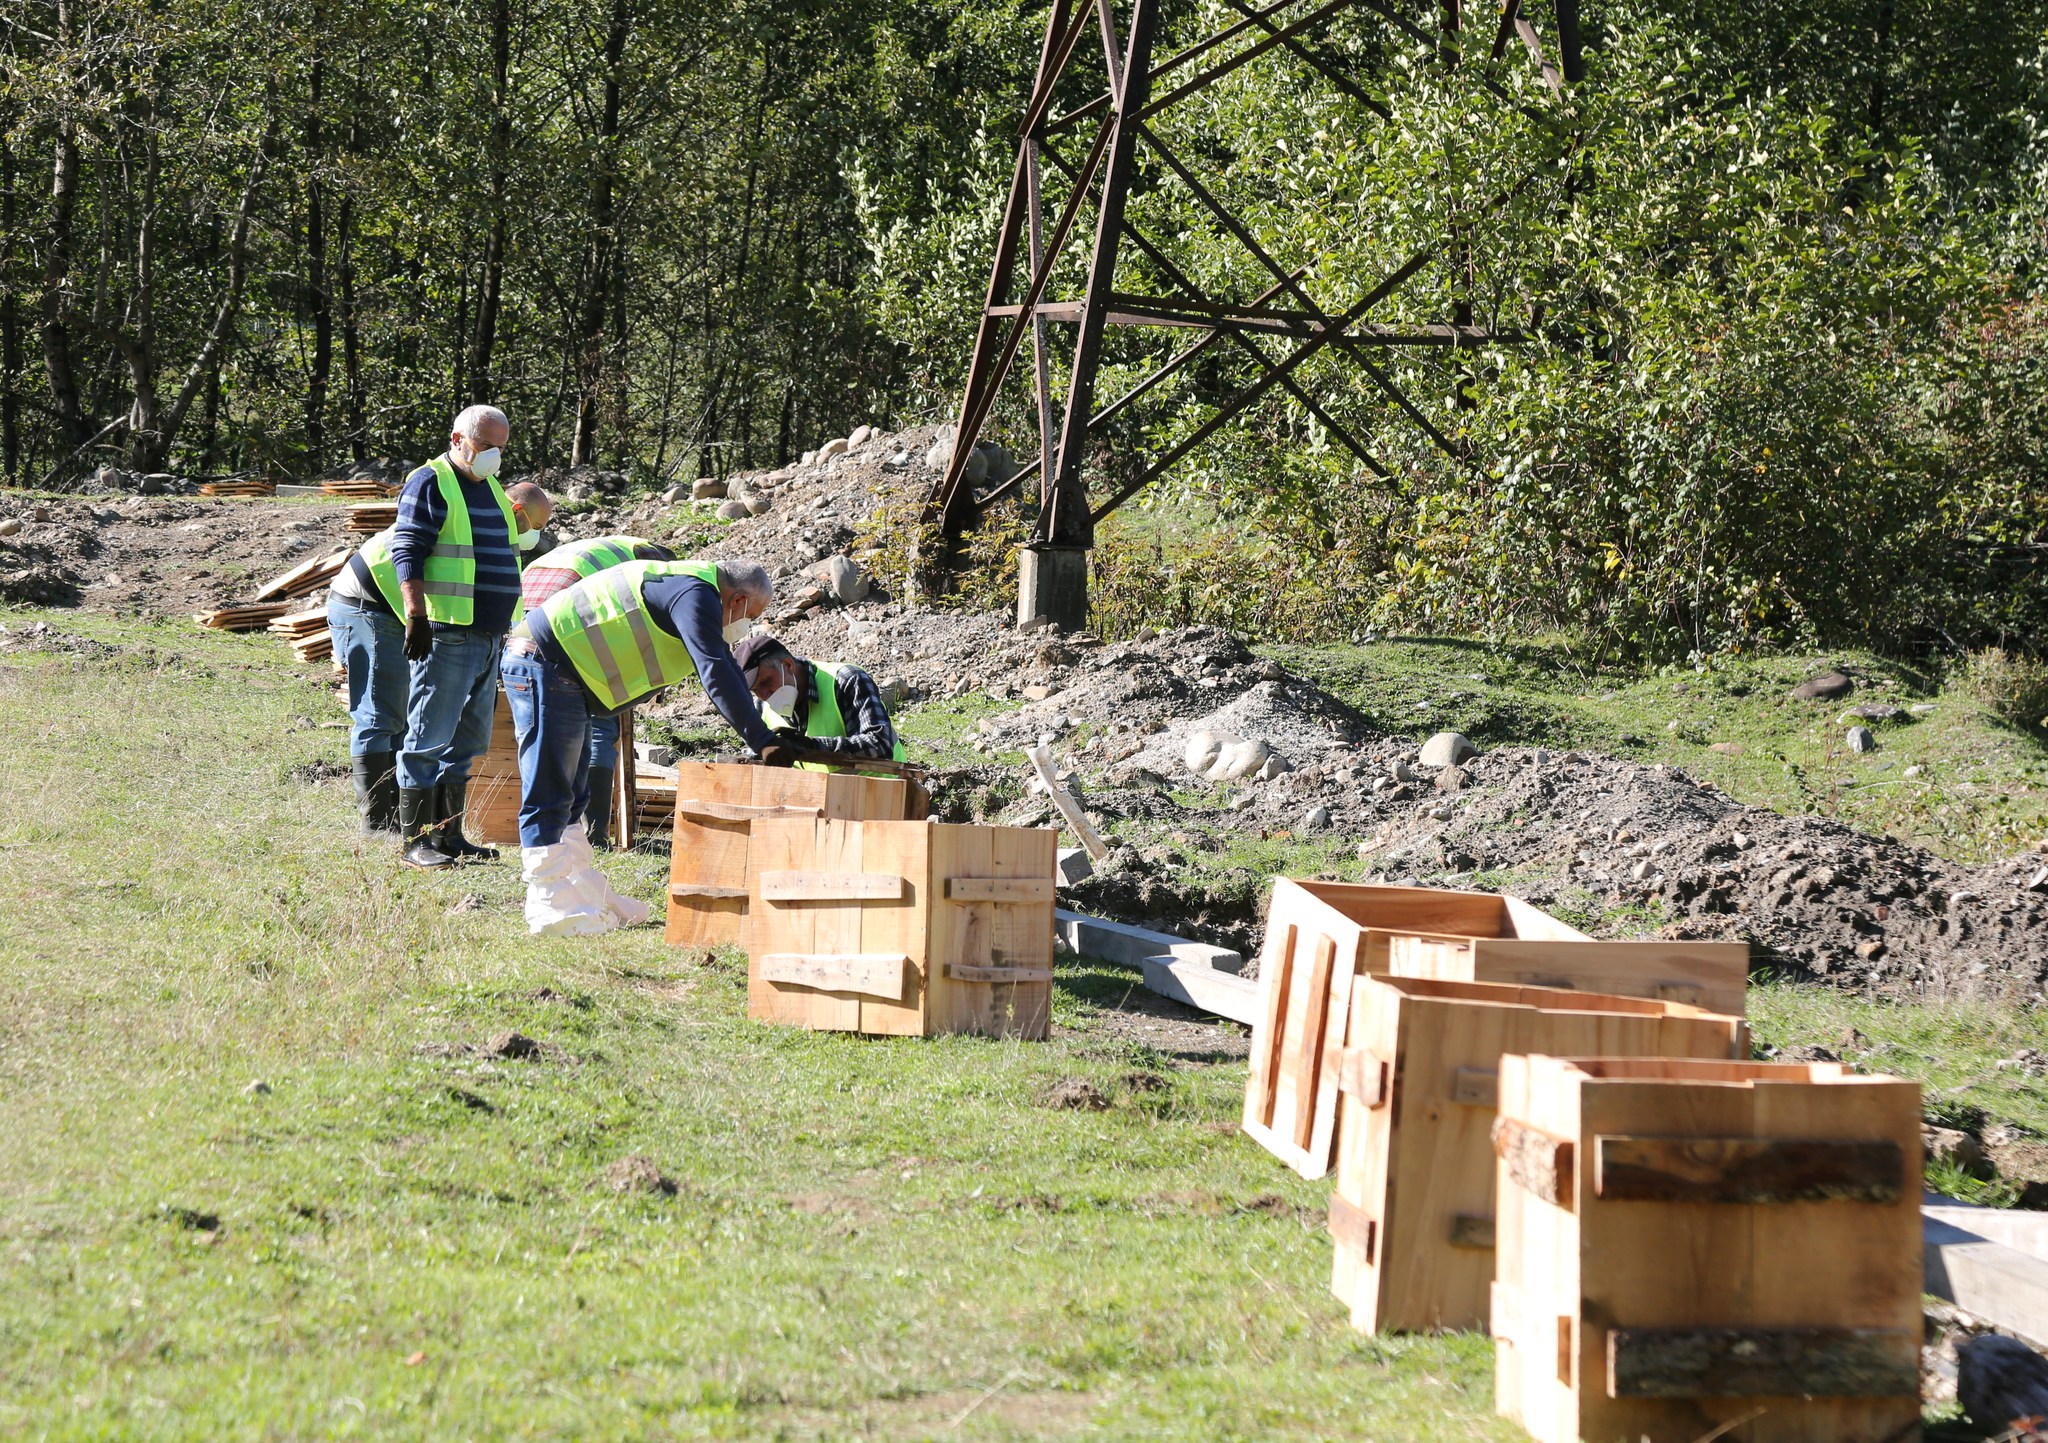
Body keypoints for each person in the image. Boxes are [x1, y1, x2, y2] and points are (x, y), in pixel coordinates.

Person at [500, 558, 791, 935]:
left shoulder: (691, 588)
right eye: (750, 615)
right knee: (551, 784)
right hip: (544, 660)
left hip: (562, 669)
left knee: (572, 790)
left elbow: (725, 665)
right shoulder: (695, 594)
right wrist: (762, 741)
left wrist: (769, 733)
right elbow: (715, 671)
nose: (744, 625)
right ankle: (547, 898)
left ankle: (578, 884)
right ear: (736, 600)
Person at [349, 404, 552, 868]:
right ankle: (416, 842)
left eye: (500, 447)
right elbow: (408, 547)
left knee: (467, 743)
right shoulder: (431, 481)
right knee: (427, 738)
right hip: (449, 633)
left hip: (488, 635)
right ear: (458, 439)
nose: (493, 455)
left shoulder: (493, 488)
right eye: (485, 446)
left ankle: (449, 836)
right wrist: (416, 615)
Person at [516, 535, 676, 849]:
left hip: (525, 610)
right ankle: (594, 832)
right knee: (601, 723)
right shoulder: (649, 572)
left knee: (540, 728)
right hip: (567, 614)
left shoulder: (615, 549)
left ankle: (557, 829)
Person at [731, 634, 905, 768]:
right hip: (823, 799)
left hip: (884, 794)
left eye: (766, 682)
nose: (764, 694)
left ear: (788, 665)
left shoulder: (845, 681)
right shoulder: (761, 708)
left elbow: (880, 745)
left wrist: (810, 746)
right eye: (755, 690)